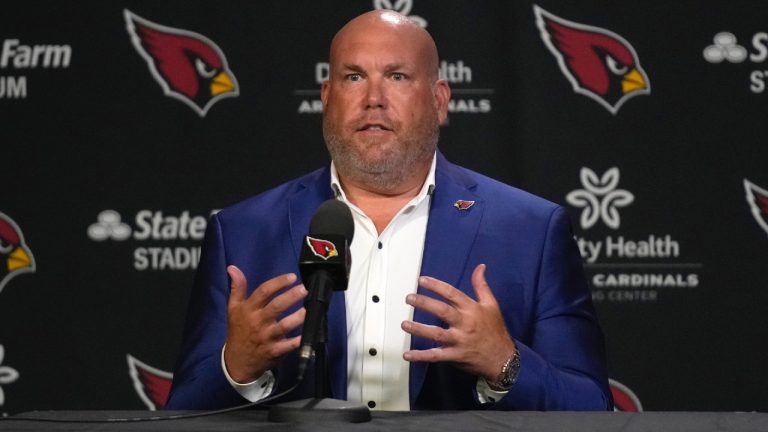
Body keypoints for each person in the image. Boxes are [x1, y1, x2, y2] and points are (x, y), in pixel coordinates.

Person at [165, 10, 611, 411]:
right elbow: (180, 412)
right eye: (353, 77)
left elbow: (592, 407)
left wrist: (505, 364)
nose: (373, 98)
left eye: (397, 76)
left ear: (439, 100)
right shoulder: (242, 232)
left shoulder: (531, 230)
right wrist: (236, 367)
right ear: (327, 96)